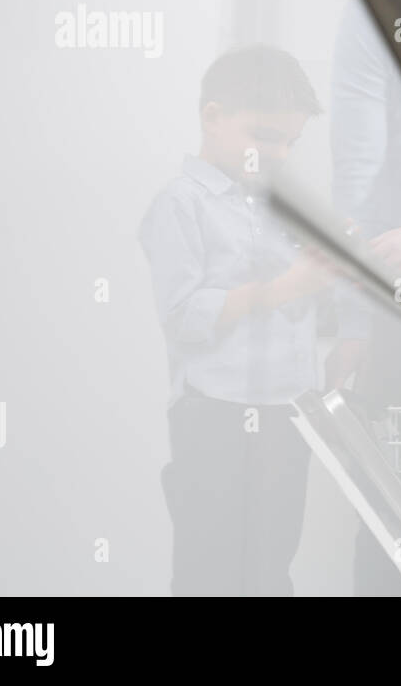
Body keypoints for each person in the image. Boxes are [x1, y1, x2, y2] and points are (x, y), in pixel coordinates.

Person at [138, 46, 336, 596]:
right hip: (215, 418)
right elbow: (182, 318)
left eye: (290, 143)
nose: (277, 153)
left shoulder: (276, 205)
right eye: (265, 136)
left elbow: (298, 310)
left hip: (287, 413)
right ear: (212, 117)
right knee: (210, 572)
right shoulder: (181, 203)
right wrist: (283, 287)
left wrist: (330, 276)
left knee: (272, 571)